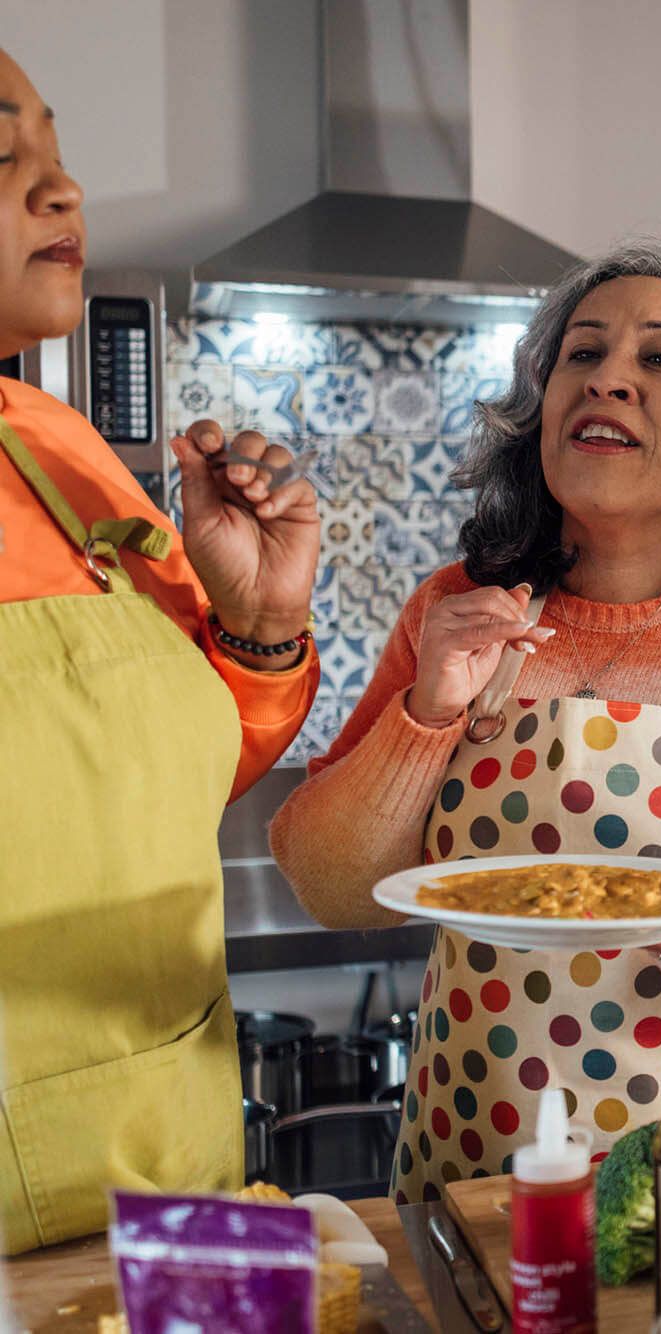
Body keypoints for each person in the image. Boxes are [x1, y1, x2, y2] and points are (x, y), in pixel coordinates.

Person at [269, 240, 661, 1201]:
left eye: (658, 359)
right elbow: (331, 889)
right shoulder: (453, 610)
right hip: (484, 1157)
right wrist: (430, 706)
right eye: (583, 354)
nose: (609, 379)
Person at [0, 46, 319, 1253]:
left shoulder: (63, 447)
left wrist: (260, 623)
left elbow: (173, 777)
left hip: (179, 1165)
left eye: (58, 151)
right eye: (4, 155)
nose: (64, 190)